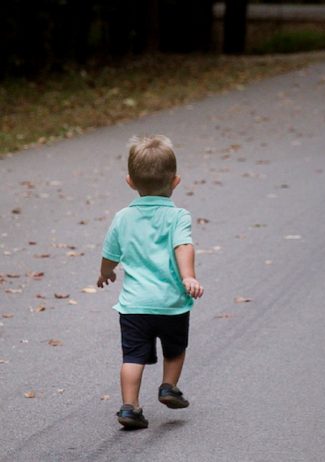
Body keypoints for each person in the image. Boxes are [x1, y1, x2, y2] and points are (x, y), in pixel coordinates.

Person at [97, 134, 203, 429]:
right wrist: (188, 276)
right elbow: (183, 246)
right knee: (175, 348)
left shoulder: (123, 217)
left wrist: (106, 273)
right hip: (171, 304)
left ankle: (129, 407)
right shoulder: (178, 215)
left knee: (133, 356)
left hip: (134, 306)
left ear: (130, 181)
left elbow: (110, 254)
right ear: (176, 181)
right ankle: (168, 387)